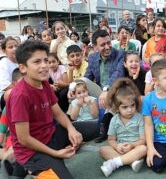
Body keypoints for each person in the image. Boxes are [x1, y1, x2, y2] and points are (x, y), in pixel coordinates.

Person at [6, 40, 99, 179]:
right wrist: (55, 154)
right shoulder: (20, 96)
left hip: (51, 135)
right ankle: (25, 166)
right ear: (23, 68)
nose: (44, 66)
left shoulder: (43, 83)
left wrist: (71, 129)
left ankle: (27, 166)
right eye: (37, 62)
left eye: (45, 60)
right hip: (32, 152)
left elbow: (57, 112)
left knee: (97, 129)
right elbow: (24, 139)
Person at [99, 78, 147, 177]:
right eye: (125, 107)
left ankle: (115, 163)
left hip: (135, 148)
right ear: (117, 108)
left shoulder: (139, 118)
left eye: (132, 105)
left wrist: (132, 145)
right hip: (120, 149)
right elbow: (111, 139)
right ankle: (130, 162)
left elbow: (143, 140)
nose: (130, 110)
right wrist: (116, 146)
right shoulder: (114, 120)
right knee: (103, 150)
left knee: (143, 148)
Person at [84, 29, 124, 143]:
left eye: (108, 43)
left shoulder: (120, 54)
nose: (107, 47)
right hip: (99, 91)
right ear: (95, 47)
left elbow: (118, 74)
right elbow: (88, 77)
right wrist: (73, 88)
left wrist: (106, 90)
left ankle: (104, 126)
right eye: (103, 45)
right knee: (81, 81)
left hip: (115, 89)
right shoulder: (92, 58)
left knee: (115, 95)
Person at [0, 37, 18, 112]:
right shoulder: (3, 63)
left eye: (16, 46)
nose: (14, 49)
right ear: (4, 50)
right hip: (5, 96)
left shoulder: (22, 61)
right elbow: (5, 86)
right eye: (10, 47)